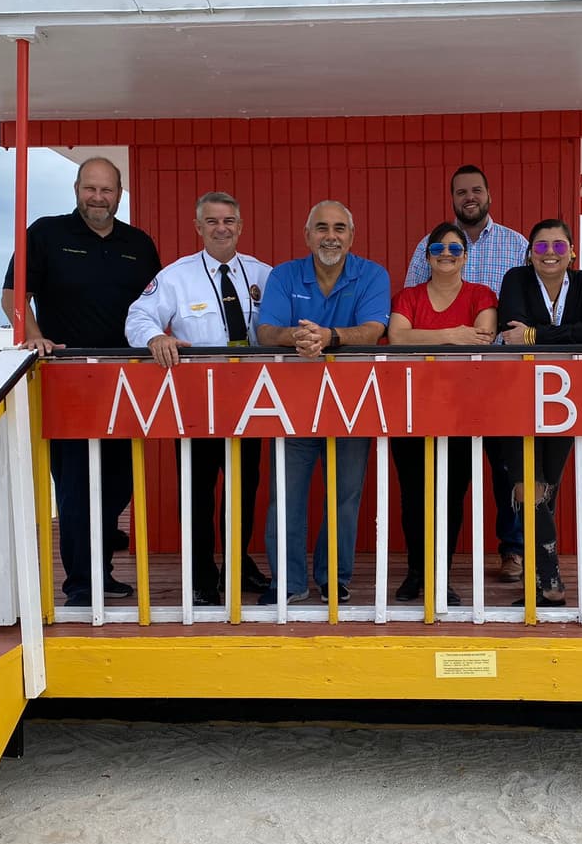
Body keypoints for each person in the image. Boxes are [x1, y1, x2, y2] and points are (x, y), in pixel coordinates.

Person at [1, 156, 161, 608]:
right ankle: (81, 584)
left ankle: (101, 571)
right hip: (68, 379)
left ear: (119, 194)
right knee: (74, 485)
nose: (98, 198)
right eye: (90, 188)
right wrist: (34, 339)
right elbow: (13, 295)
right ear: (76, 188)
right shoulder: (46, 234)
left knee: (118, 482)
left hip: (128, 382)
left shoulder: (139, 243)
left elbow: (156, 304)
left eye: (106, 190)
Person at [125, 191, 273, 604]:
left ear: (240, 226)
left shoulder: (264, 274)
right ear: (199, 228)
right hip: (196, 402)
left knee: (243, 487)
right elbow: (139, 316)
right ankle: (201, 573)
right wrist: (155, 336)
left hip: (252, 398)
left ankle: (237, 565)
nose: (221, 228)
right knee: (198, 488)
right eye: (212, 222)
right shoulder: (176, 276)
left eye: (228, 221)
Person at [255, 200, 389, 605]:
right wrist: (297, 338)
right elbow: (265, 332)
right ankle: (289, 584)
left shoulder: (372, 274)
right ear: (307, 235)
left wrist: (328, 337)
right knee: (287, 495)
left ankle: (334, 578)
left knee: (345, 496)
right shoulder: (284, 275)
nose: (331, 236)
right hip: (291, 402)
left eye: (339, 229)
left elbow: (373, 329)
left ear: (352, 236)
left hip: (353, 401)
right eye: (322, 228)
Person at [402, 165, 530, 585]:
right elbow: (405, 324)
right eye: (461, 192)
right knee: (445, 477)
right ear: (453, 198)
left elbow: (494, 325)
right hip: (440, 388)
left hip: (502, 378)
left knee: (507, 468)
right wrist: (452, 336)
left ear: (489, 194)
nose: (469, 197)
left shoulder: (516, 244)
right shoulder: (429, 244)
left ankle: (512, 551)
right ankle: (430, 569)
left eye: (476, 190)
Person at [498, 218, 582, 606]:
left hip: (566, 397)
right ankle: (551, 580)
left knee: (548, 488)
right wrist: (555, 333)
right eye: (541, 246)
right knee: (528, 485)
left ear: (572, 252)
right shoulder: (516, 279)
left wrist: (533, 334)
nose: (549, 253)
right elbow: (509, 328)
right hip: (514, 394)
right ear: (530, 252)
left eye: (559, 246)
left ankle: (540, 575)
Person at [388, 221, 497, 606]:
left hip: (460, 410)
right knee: (412, 495)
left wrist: (432, 336)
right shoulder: (408, 297)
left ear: (465, 256)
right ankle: (417, 569)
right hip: (410, 407)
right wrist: (455, 334)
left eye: (454, 249)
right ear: (427, 256)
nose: (446, 255)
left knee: (450, 495)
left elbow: (483, 336)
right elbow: (397, 336)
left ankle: (441, 573)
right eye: (438, 249)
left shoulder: (481, 294)